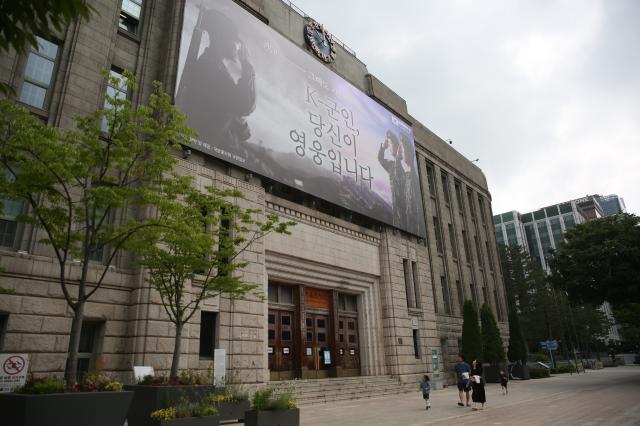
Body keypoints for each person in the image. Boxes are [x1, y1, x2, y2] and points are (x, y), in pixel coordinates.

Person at [176, 6, 256, 158]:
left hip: (222, 143)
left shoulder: (216, 67)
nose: (236, 47)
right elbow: (246, 105)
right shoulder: (209, 67)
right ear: (221, 39)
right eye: (233, 41)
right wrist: (248, 67)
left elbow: (238, 114)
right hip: (213, 146)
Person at [377, 131, 409, 229]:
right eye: (389, 144)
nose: (390, 147)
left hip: (408, 213)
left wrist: (398, 158)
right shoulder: (391, 165)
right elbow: (381, 159)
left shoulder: (405, 164)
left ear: (397, 146)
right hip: (397, 214)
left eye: (391, 144)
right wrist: (382, 147)